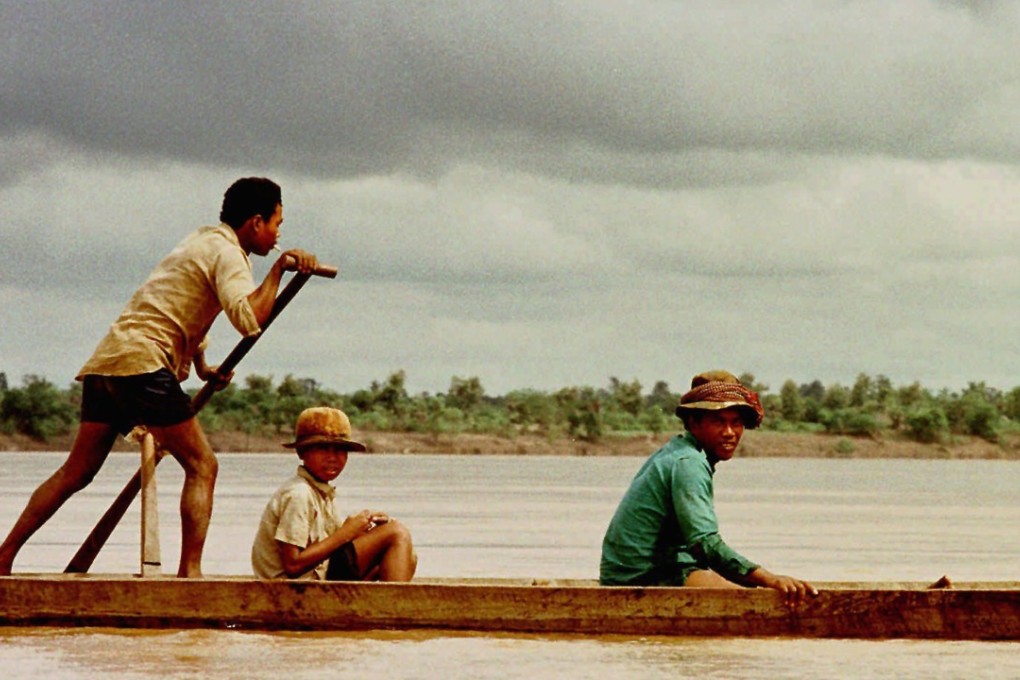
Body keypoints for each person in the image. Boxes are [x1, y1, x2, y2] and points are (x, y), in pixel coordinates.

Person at [0, 177, 319, 578]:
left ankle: (3, 556)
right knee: (203, 465)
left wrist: (202, 367)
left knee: (75, 473)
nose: (278, 234)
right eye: (277, 223)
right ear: (256, 222)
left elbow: (178, 305)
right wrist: (278, 270)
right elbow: (248, 320)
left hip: (109, 362)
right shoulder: (229, 253)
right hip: (144, 364)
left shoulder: (200, 242)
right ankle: (191, 575)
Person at [600, 370, 817, 605]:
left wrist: (757, 578)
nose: (729, 433)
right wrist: (770, 579)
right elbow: (706, 545)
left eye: (736, 423)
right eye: (718, 422)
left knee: (745, 588)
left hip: (652, 570)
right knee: (747, 603)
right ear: (694, 423)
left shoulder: (681, 452)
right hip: (641, 578)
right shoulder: (689, 463)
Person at [251, 406, 417, 582]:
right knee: (396, 533)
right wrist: (345, 533)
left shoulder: (321, 492)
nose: (332, 458)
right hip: (289, 590)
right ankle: (394, 609)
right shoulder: (299, 493)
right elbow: (293, 565)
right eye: (323, 448)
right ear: (302, 452)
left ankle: (385, 607)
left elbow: (329, 544)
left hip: (314, 579)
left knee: (404, 556)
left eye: (339, 450)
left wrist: (358, 529)